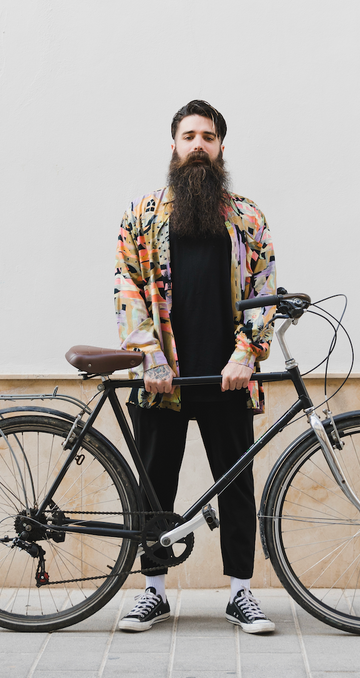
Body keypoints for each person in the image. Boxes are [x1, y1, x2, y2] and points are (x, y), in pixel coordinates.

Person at [112, 100, 278, 634]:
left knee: (237, 487)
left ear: (221, 147)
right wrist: (150, 355)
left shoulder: (247, 217)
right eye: (189, 136)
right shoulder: (141, 215)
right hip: (164, 379)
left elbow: (264, 289)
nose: (199, 145)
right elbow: (127, 288)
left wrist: (245, 354)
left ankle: (241, 595)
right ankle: (153, 593)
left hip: (227, 376)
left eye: (208, 136)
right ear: (174, 146)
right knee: (154, 483)